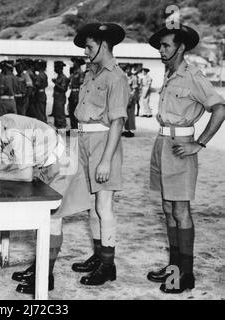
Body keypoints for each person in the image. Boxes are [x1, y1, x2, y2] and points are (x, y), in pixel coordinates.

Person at [0, 113, 91, 295]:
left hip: (62, 163)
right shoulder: (0, 128)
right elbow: (8, 164)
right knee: (42, 217)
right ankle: (38, 266)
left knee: (52, 218)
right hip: (46, 164)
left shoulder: (14, 132)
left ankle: (46, 276)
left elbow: (25, 175)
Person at [146, 24, 225, 294]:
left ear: (181, 48)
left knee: (180, 212)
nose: (161, 49)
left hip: (181, 148)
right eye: (160, 45)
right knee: (168, 210)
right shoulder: (170, 74)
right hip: (162, 144)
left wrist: (199, 143)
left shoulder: (193, 75)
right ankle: (173, 268)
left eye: (166, 45)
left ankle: (186, 274)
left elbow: (219, 108)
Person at [70, 22, 130, 286]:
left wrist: (106, 159)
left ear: (104, 45)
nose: (85, 51)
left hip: (104, 142)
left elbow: (117, 121)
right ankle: (98, 255)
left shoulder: (116, 77)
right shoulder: (91, 74)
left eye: (89, 46)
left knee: (104, 206)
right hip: (84, 140)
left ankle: (108, 265)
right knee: (92, 208)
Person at [68, 57, 85, 129]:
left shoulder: (80, 73)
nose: (73, 63)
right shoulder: (74, 73)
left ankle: (79, 129)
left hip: (77, 93)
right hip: (72, 93)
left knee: (77, 112)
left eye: (75, 62)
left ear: (78, 63)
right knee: (71, 111)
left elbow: (81, 84)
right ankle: (73, 128)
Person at [51, 61, 69, 129]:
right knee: (56, 114)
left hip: (60, 98)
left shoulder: (63, 77)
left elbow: (64, 89)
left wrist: (56, 83)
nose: (55, 69)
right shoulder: (59, 77)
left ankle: (62, 128)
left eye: (56, 67)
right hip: (57, 97)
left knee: (60, 114)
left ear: (60, 68)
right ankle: (58, 128)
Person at [122, 67, 138, 137]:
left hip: (131, 98)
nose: (127, 71)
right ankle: (126, 130)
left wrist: (131, 99)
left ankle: (131, 130)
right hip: (125, 97)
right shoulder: (124, 77)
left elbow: (134, 89)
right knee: (125, 114)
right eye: (126, 70)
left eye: (129, 69)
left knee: (131, 114)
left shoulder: (134, 78)